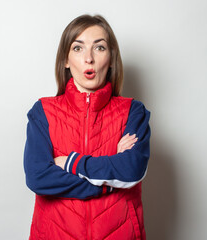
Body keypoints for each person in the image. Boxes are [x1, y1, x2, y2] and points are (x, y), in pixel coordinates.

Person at [24, 14, 150, 240]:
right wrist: (108, 183)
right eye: (78, 48)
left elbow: (132, 169)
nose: (89, 59)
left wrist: (70, 163)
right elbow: (38, 177)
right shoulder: (43, 112)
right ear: (65, 59)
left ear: (111, 59)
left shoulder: (133, 112)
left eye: (99, 48)